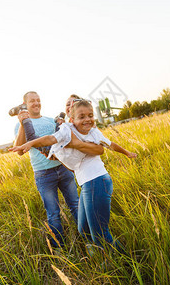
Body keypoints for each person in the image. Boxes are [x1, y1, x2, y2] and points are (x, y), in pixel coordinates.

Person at [11, 99, 135, 249]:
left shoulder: (94, 132)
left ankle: (125, 260)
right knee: (84, 230)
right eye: (81, 117)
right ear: (72, 119)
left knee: (101, 235)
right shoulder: (66, 129)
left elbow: (110, 145)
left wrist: (127, 152)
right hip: (86, 183)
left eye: (90, 115)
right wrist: (30, 143)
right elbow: (50, 138)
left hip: (97, 180)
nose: (87, 119)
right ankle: (99, 256)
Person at [13, 91, 103, 248]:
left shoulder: (50, 121)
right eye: (32, 101)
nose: (36, 103)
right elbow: (20, 151)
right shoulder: (21, 125)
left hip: (63, 169)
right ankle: (59, 249)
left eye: (38, 100)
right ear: (25, 105)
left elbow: (69, 135)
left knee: (75, 205)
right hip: (43, 174)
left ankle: (88, 242)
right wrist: (22, 123)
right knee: (53, 213)